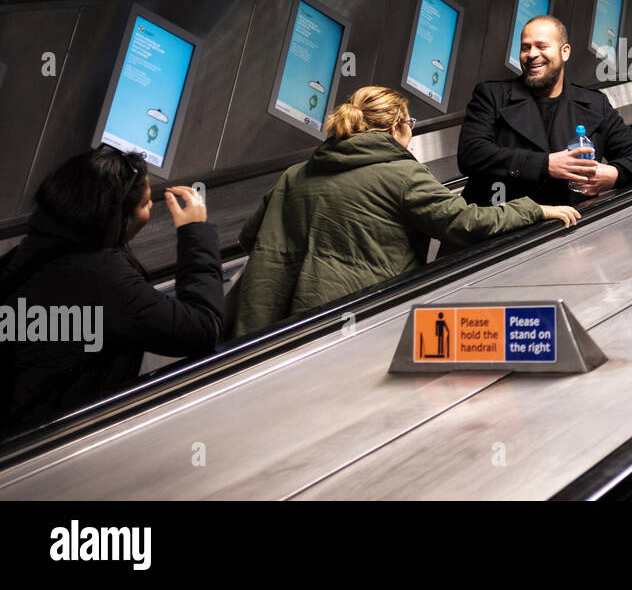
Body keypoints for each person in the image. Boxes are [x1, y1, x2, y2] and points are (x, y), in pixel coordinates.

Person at [232, 86, 578, 337]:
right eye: (409, 122)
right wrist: (535, 209)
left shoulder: (296, 173)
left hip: (275, 321)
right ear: (397, 127)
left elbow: (250, 237)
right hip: (360, 314)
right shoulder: (402, 174)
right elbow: (465, 223)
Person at [0, 147, 222, 432]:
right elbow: (202, 329)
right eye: (144, 204)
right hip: (52, 434)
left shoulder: (27, 253)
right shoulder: (99, 279)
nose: (151, 207)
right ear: (117, 219)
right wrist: (195, 231)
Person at [458, 16, 632, 208]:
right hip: (499, 229)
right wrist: (545, 164)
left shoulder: (594, 104)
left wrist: (614, 175)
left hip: (563, 231)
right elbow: (472, 154)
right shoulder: (492, 95)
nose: (532, 54)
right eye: (525, 47)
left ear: (565, 52)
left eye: (542, 46)